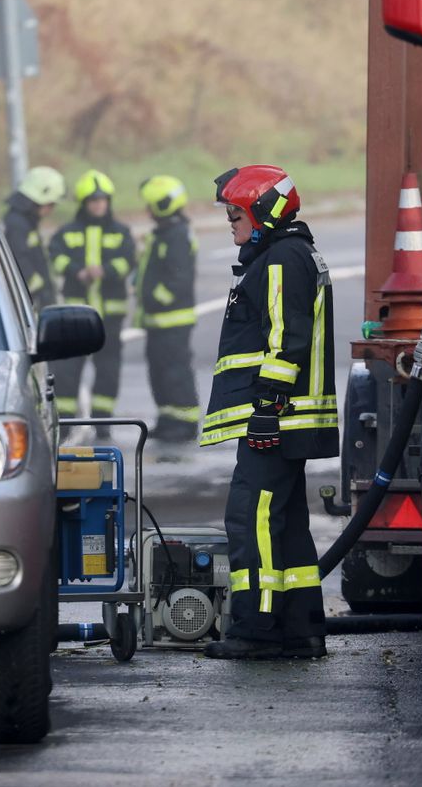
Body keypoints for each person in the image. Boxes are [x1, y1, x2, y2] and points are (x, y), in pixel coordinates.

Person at [200, 165, 339, 660]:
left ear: (262, 212)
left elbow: (286, 337)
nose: (230, 223)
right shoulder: (290, 253)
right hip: (285, 418)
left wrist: (265, 407)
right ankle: (300, 629)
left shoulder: (281, 259)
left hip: (276, 417)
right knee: (286, 523)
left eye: (235, 213)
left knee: (251, 519)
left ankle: (255, 628)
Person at [49, 169, 135, 438]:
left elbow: (129, 260)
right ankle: (65, 423)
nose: (99, 205)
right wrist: (76, 270)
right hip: (75, 316)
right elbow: (55, 257)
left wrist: (106, 270)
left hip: (110, 317)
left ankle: (103, 423)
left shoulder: (121, 232)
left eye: (102, 200)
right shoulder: (67, 232)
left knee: (108, 372)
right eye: (93, 200)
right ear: (84, 203)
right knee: (67, 370)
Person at [136, 175, 200, 442]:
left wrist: (155, 298)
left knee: (175, 372)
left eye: (151, 205)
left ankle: (184, 423)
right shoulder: (165, 233)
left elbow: (178, 280)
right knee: (159, 372)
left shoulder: (176, 236)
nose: (148, 210)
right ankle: (167, 419)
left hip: (172, 320)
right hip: (158, 320)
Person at [3, 166, 66, 312]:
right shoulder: (17, 224)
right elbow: (19, 259)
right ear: (39, 199)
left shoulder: (24, 222)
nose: (51, 210)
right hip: (31, 302)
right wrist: (40, 290)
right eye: (50, 204)